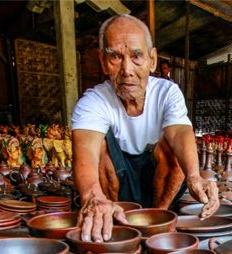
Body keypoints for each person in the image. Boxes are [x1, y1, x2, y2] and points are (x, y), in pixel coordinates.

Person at [71, 14, 219, 242]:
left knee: (173, 145)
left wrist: (194, 176)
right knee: (100, 147)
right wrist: (92, 196)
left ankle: (157, 221)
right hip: (119, 186)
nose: (127, 69)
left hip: (159, 183)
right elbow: (85, 152)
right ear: (102, 61)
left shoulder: (167, 92)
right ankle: (113, 221)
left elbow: (180, 132)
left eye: (137, 56)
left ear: (153, 60)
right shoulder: (93, 102)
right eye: (115, 57)